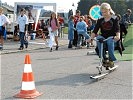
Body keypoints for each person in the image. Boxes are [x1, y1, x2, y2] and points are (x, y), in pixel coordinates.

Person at [87, 3, 120, 68]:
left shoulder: (114, 18)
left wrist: (118, 36)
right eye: (102, 12)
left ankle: (111, 60)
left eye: (105, 12)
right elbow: (95, 30)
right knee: (99, 38)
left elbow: (117, 29)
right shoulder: (100, 19)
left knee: (110, 41)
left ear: (109, 10)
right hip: (103, 37)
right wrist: (91, 38)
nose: (103, 14)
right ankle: (104, 58)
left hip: (112, 37)